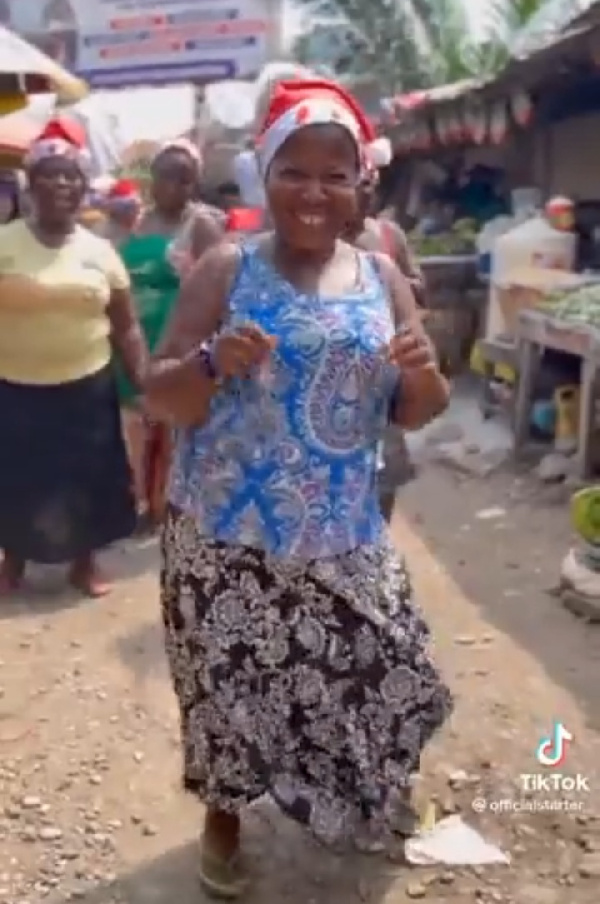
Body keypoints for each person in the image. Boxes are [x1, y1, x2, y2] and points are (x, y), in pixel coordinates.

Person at [145, 78, 452, 897]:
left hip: (344, 528)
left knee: (385, 663)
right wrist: (214, 362)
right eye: (294, 171)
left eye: (334, 175)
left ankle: (367, 788)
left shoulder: (382, 276)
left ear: (359, 187)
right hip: (224, 540)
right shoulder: (224, 268)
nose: (314, 192)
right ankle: (225, 820)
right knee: (228, 696)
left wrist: (423, 374)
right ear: (264, 175)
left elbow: (420, 409)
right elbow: (160, 390)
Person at [0, 120, 147, 597]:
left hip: (86, 384)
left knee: (88, 475)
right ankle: (12, 562)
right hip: (15, 385)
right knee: (16, 474)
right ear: (31, 183)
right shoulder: (5, 244)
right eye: (50, 174)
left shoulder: (100, 252)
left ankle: (84, 564)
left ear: (84, 187)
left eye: (71, 176)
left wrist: (144, 379)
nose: (62, 184)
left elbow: (125, 324)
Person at [118, 140, 223, 529]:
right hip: (136, 338)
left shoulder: (202, 225)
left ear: (194, 183)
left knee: (176, 430)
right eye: (167, 177)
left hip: (179, 338)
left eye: (185, 179)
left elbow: (220, 286)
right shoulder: (136, 222)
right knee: (137, 431)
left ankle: (171, 507)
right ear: (153, 180)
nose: (175, 187)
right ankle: (140, 504)